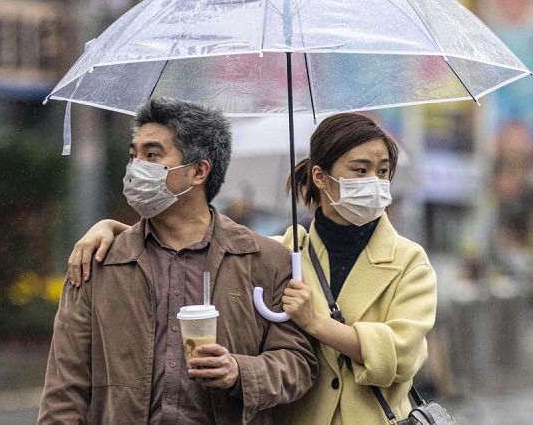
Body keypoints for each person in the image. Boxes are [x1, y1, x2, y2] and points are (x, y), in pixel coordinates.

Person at [68, 113, 437, 425]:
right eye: (361, 169)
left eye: (383, 171)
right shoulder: (282, 253)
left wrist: (315, 323)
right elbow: (197, 238)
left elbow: (401, 356)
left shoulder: (409, 261)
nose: (374, 181)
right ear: (322, 177)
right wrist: (111, 230)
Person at [39, 97, 317, 425]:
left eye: (152, 155)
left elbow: (299, 363)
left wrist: (239, 371)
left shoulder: (265, 260)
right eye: (133, 155)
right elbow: (64, 388)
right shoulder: (97, 261)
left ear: (198, 171)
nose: (135, 167)